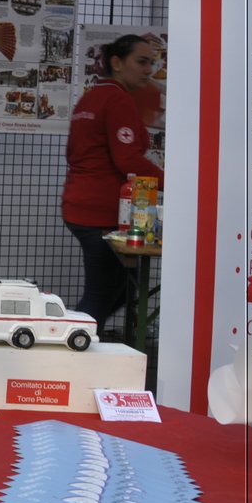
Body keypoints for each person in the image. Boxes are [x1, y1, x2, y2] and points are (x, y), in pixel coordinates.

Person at [62, 34, 164, 329]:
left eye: (152, 63)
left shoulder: (91, 97)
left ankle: (77, 345)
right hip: (99, 212)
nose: (149, 70)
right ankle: (69, 351)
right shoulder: (117, 99)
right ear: (117, 63)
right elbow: (128, 160)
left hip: (79, 206)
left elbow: (73, 152)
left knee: (118, 291)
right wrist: (177, 184)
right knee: (101, 296)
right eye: (142, 62)